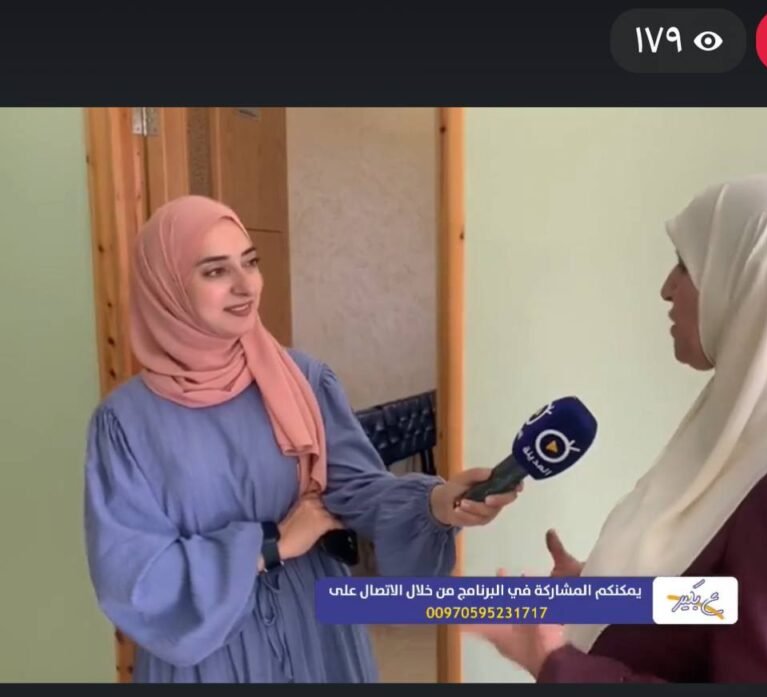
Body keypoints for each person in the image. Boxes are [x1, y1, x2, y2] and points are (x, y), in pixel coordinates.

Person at [467, 174, 767, 682]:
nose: (666, 289)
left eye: (685, 264)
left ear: (753, 276)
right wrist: (604, 597)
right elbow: (733, 601)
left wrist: (556, 663)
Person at [83, 195, 520, 683]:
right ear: (166, 286)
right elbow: (132, 577)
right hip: (210, 656)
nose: (245, 285)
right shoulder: (125, 423)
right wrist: (270, 544)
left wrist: (437, 504)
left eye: (250, 262)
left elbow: (357, 490)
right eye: (215, 271)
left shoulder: (301, 380)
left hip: (318, 636)